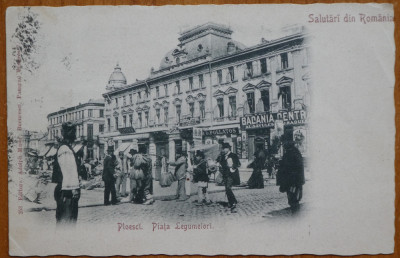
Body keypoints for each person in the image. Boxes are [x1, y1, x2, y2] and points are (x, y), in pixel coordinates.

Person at [51, 122, 80, 226]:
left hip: (65, 190)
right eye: (74, 132)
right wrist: (74, 189)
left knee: (66, 221)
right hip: (67, 192)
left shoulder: (66, 148)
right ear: (71, 134)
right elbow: (68, 171)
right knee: (67, 221)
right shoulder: (65, 149)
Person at [277, 141, 305, 213]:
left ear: (288, 147)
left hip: (292, 181)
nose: (284, 148)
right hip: (295, 181)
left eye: (285, 147)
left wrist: (281, 164)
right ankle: (295, 213)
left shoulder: (290, 154)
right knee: (294, 198)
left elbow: (287, 167)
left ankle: (295, 216)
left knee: (292, 198)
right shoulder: (296, 153)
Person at [218, 142, 241, 213]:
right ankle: (231, 202)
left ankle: (233, 202)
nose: (224, 150)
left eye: (225, 148)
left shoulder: (233, 155)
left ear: (228, 148)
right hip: (225, 174)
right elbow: (220, 164)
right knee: (227, 189)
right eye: (223, 148)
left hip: (231, 174)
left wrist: (232, 166)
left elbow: (238, 164)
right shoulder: (222, 156)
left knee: (228, 188)